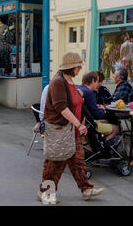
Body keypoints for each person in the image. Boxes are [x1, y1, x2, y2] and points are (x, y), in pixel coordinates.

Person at [38, 52, 104, 204]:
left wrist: (78, 95)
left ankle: (86, 189)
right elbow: (62, 108)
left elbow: (71, 102)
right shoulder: (58, 82)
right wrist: (79, 124)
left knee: (78, 162)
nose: (80, 68)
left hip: (71, 130)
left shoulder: (69, 81)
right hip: (60, 129)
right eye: (78, 66)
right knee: (54, 163)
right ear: (71, 67)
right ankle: (45, 193)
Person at [78, 71, 120, 142]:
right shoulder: (89, 93)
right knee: (116, 128)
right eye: (97, 81)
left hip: (83, 122)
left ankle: (100, 141)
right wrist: (103, 109)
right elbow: (97, 115)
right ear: (92, 81)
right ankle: (103, 146)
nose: (99, 84)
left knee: (106, 121)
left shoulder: (80, 89)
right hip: (89, 125)